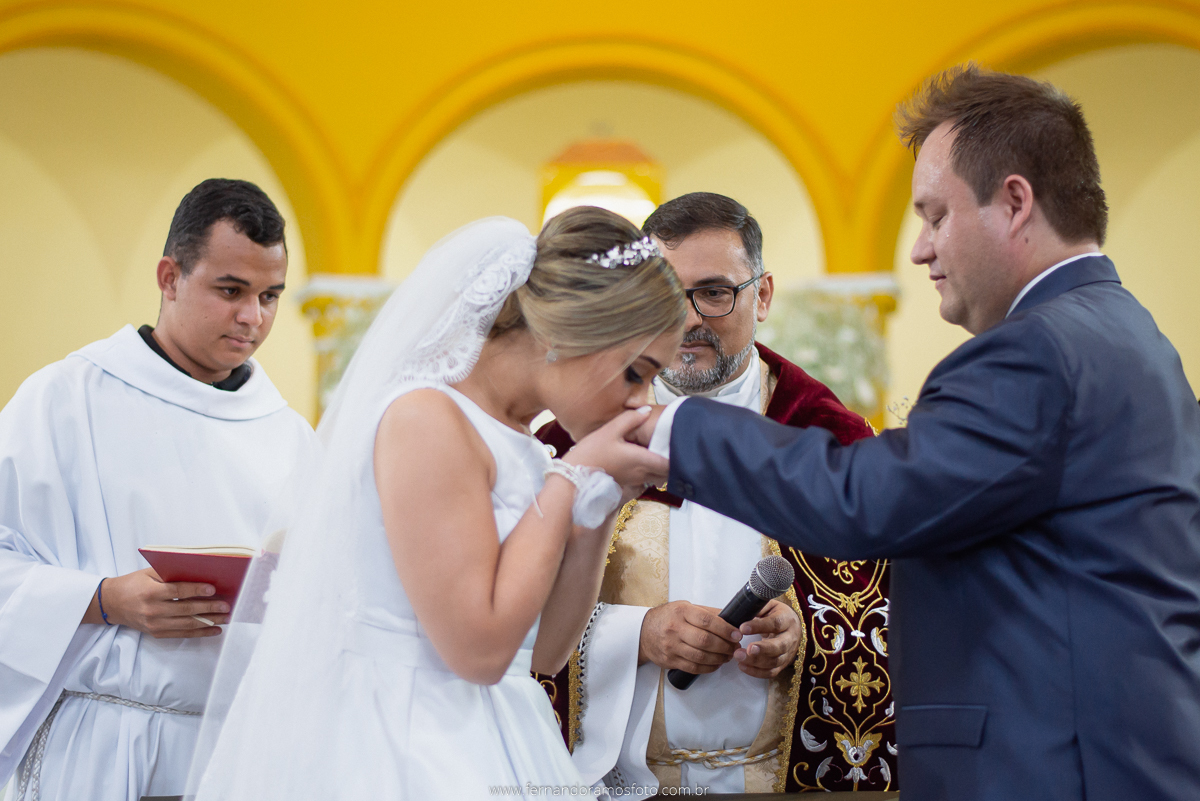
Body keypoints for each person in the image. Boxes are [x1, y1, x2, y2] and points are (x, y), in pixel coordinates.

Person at [636, 65, 1200, 801]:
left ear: (1015, 203)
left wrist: (672, 427)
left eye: (935, 216)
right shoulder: (1128, 333)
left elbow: (865, 502)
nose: (920, 250)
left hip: (1055, 766)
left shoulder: (1035, 351)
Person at [186, 208, 685, 800]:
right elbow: (478, 650)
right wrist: (572, 481)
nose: (640, 401)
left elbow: (545, 652)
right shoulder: (426, 418)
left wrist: (603, 499)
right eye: (635, 371)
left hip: (499, 723)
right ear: (565, 332)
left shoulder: (523, 440)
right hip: (404, 737)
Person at [535, 193, 894, 794]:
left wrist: (799, 635)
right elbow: (509, 626)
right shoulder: (568, 443)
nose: (687, 318)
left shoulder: (831, 443)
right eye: (666, 295)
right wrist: (638, 636)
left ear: (763, 295)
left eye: (715, 292)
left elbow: (879, 623)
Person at [0, 178, 319, 801]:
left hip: (237, 756)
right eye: (230, 290)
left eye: (270, 295)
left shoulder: (291, 437)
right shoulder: (65, 401)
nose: (252, 317)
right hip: (100, 743)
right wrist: (103, 598)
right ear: (169, 277)